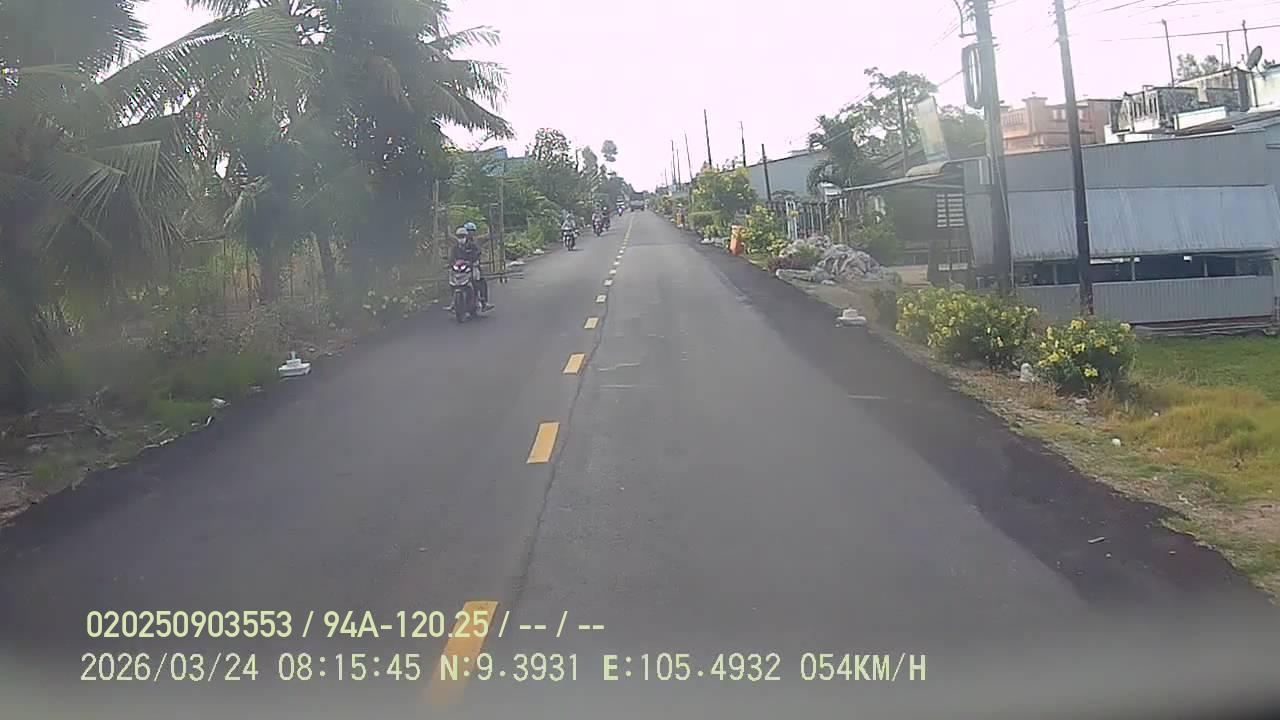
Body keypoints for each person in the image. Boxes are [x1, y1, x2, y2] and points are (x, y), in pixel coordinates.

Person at [446, 225, 491, 311]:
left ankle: (483, 302)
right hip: (459, 269)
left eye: (462, 236)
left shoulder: (473, 245)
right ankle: (453, 302)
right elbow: (451, 257)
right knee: (451, 281)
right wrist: (450, 263)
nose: (461, 238)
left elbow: (477, 253)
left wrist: (472, 261)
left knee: (479, 280)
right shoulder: (455, 247)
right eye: (459, 236)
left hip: (471, 266)